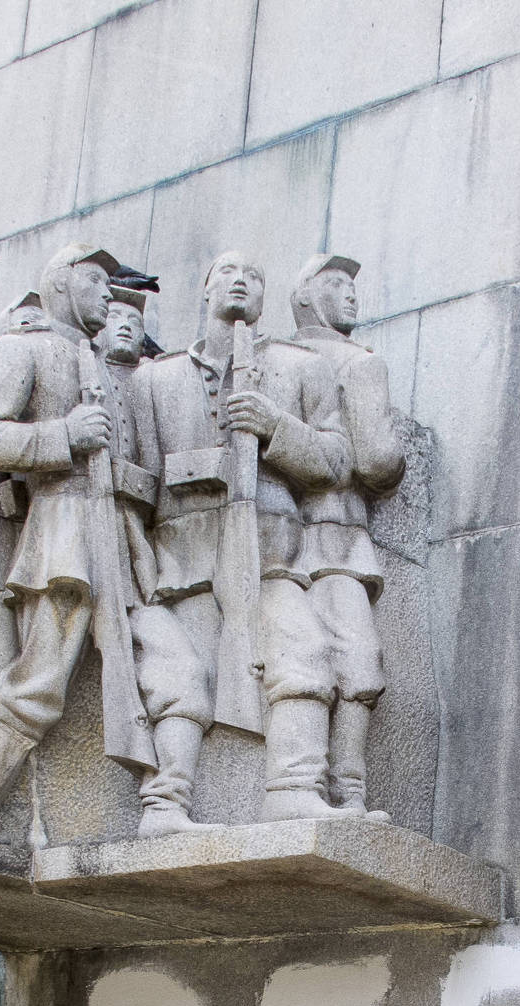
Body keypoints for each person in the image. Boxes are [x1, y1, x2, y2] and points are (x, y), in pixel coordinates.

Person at [123, 251, 351, 824]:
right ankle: (165, 802)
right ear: (204, 286)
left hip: (271, 556)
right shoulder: (155, 378)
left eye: (255, 273)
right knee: (181, 680)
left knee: (304, 650)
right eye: (226, 271)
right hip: (182, 558)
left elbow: (335, 460)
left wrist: (275, 425)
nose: (241, 280)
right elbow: (136, 482)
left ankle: (294, 789)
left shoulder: (301, 368)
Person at [0, 243, 152, 840]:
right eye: (95, 281)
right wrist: (64, 434)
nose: (108, 294)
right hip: (60, 533)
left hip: (117, 536)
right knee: (39, 687)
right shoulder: (21, 348)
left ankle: (165, 801)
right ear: (60, 284)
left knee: (152, 666)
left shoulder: (98, 362)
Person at [284, 253, 406, 816]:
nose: (352, 294)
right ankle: (346, 790)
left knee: (310, 659)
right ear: (306, 296)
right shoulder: (360, 364)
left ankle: (329, 789)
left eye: (353, 284)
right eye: (336, 283)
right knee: (357, 661)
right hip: (337, 533)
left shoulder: (270, 360)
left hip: (277, 537)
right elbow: (379, 461)